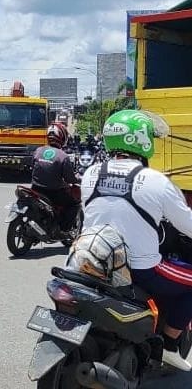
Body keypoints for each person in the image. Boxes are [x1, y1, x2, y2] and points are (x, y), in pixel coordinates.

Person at [81, 109, 192, 371]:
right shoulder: (156, 181)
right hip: (139, 269)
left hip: (88, 261)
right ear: (142, 139)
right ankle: (169, 345)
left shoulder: (90, 172)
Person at [31, 122, 79, 232]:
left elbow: (32, 166)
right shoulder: (63, 156)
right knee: (74, 204)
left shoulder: (38, 150)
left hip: (35, 189)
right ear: (62, 137)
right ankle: (64, 230)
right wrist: (78, 179)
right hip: (53, 193)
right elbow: (69, 179)